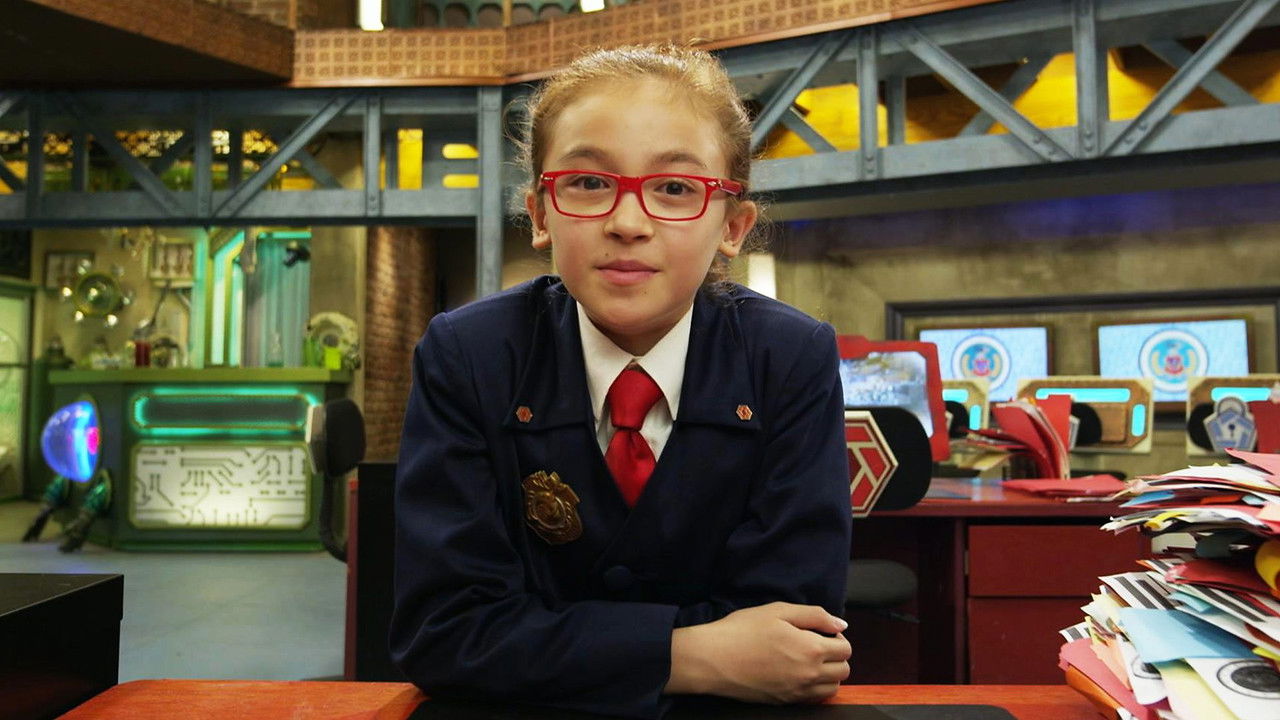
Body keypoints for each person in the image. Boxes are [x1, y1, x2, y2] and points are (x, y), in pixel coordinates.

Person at [390, 44, 852, 719]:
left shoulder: (789, 358)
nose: (628, 223)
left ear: (733, 226)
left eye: (675, 189)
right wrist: (693, 654)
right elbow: (445, 633)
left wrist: (550, 643)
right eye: (587, 182)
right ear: (541, 214)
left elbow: (793, 633)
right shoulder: (468, 356)